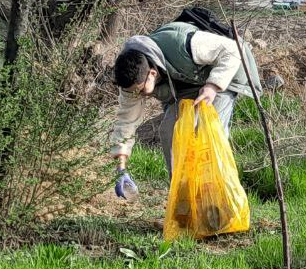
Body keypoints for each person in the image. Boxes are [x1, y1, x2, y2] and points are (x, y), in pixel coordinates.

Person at [109, 17, 260, 199]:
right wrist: (121, 168)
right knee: (169, 131)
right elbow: (126, 122)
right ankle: (182, 197)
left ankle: (216, 198)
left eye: (140, 90)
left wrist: (213, 85)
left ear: (152, 74)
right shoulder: (131, 79)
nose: (138, 95)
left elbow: (233, 51)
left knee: (207, 132)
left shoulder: (185, 44)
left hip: (225, 74)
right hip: (189, 84)